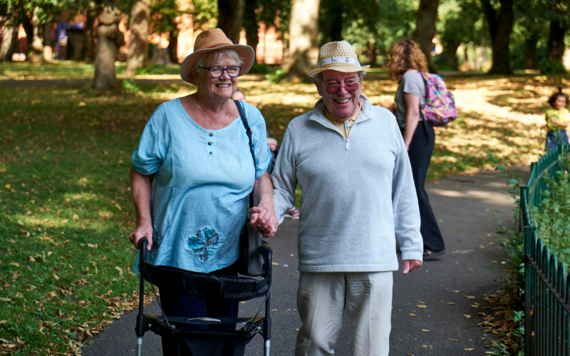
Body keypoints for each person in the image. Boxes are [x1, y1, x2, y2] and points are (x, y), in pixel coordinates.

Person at [128, 28, 278, 355]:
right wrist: (144, 221)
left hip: (230, 258)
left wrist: (267, 203)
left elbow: (261, 175)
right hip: (175, 254)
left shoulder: (250, 119)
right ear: (197, 73)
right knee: (187, 345)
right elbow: (141, 171)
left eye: (232, 68)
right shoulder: (167, 117)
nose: (226, 76)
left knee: (223, 342)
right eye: (216, 68)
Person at [271, 40, 423, 356]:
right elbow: (282, 188)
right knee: (314, 344)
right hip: (320, 256)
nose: (343, 90)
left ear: (360, 82)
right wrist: (269, 213)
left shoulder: (385, 123)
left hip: (374, 255)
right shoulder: (299, 129)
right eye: (333, 83)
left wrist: (411, 243)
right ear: (318, 85)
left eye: (350, 81)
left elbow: (403, 187)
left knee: (371, 348)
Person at [388, 39, 445, 261]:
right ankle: (420, 240)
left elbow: (413, 113)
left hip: (417, 134)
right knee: (410, 188)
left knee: (415, 190)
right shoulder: (412, 76)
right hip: (417, 132)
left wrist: (405, 143)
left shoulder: (410, 77)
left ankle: (433, 244)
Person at [232, 89, 300, 219]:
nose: (240, 102)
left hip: (263, 163)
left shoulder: (252, 118)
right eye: (236, 100)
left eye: (242, 99)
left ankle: (280, 204)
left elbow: (270, 142)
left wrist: (266, 143)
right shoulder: (232, 123)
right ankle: (283, 205)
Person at [543, 87, 570, 151]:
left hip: (561, 133)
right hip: (551, 133)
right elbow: (549, 122)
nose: (561, 103)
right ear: (553, 102)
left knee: (564, 150)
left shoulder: (565, 111)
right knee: (550, 150)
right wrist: (546, 126)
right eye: (559, 101)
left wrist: (556, 123)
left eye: (563, 102)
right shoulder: (548, 112)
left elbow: (566, 124)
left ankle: (563, 160)